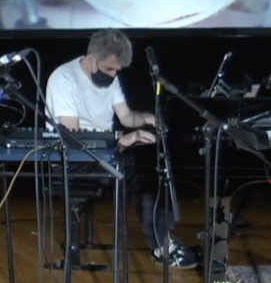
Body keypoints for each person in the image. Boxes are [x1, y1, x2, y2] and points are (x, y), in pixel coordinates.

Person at [46, 29, 197, 269]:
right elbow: (73, 135)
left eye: (117, 70)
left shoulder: (110, 77)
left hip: (105, 152)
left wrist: (146, 119)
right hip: (73, 159)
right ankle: (162, 246)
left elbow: (126, 117)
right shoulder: (64, 79)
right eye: (109, 69)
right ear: (91, 58)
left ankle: (162, 243)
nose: (113, 75)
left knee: (152, 168)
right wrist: (122, 139)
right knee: (139, 175)